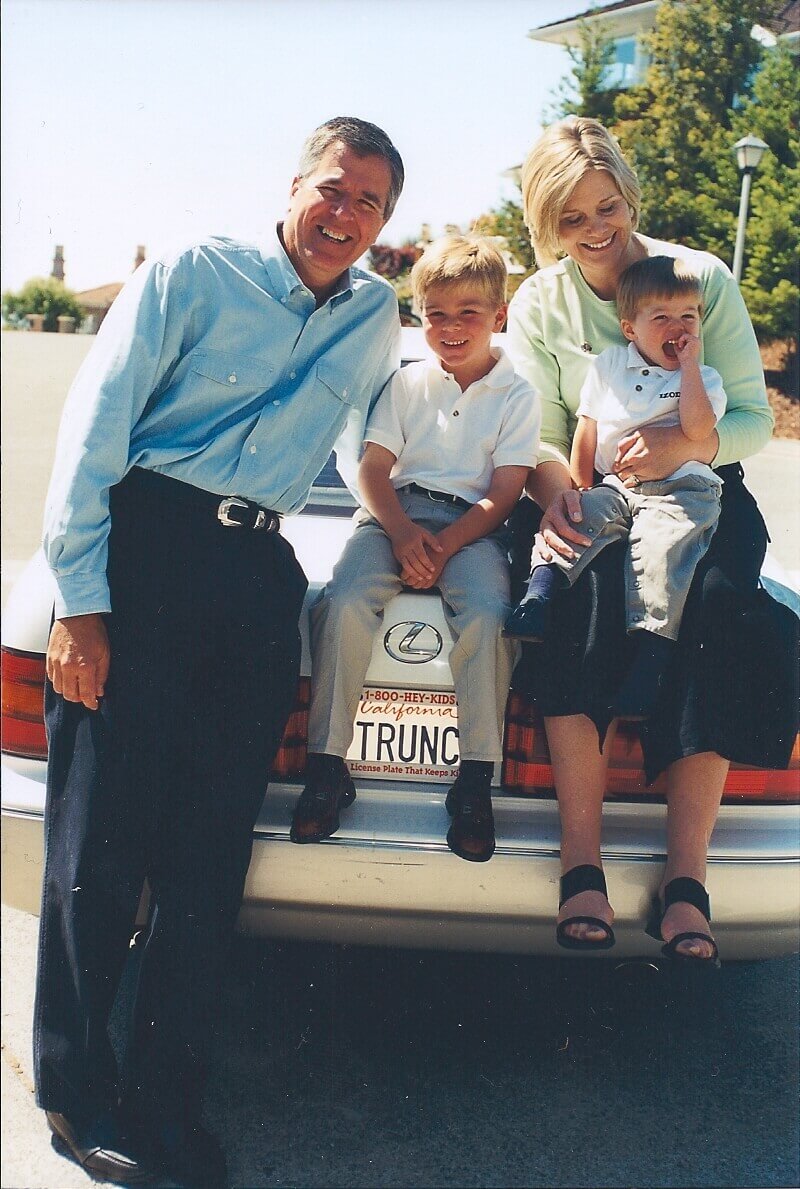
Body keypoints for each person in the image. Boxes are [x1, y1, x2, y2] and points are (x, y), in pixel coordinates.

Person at [34, 116, 404, 1187]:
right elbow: (93, 437)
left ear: (386, 224)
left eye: (371, 203)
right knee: (100, 846)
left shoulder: (377, 317)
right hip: (145, 553)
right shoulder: (193, 275)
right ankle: (73, 1087)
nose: (346, 214)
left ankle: (162, 1098)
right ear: (295, 185)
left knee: (206, 859)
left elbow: (380, 441)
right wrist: (81, 601)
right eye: (334, 189)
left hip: (256, 579)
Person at [505, 116, 798, 961]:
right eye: (573, 218)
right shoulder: (539, 303)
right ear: (546, 223)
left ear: (629, 195)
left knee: (723, 609)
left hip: (703, 489)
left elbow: (750, 420)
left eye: (609, 206)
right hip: (588, 491)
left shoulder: (696, 277)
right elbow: (538, 431)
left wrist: (682, 445)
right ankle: (582, 864)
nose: (598, 231)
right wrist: (559, 492)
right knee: (576, 601)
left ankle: (685, 879)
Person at [289, 235, 540, 862]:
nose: (450, 328)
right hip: (392, 517)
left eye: (469, 313)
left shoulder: (518, 395)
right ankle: (327, 767)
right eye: (435, 314)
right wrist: (403, 535)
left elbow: (507, 489)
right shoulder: (405, 385)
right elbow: (374, 469)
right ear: (417, 316)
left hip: (472, 527)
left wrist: (444, 545)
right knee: (343, 600)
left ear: (499, 317)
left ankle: (475, 780)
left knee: (487, 616)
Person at [506, 255, 726, 721]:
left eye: (688, 316)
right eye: (661, 317)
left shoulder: (703, 379)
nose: (677, 327)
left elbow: (699, 426)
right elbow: (587, 427)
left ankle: (651, 658)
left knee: (662, 554)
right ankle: (539, 595)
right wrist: (579, 487)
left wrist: (688, 368)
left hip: (681, 490)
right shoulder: (609, 366)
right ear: (630, 328)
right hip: (617, 485)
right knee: (578, 520)